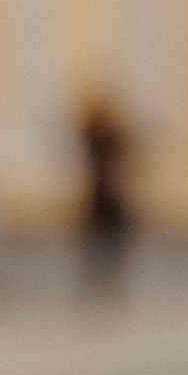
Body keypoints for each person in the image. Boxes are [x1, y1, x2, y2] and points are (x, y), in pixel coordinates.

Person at [76, 95, 135, 291]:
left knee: (111, 238)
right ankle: (101, 277)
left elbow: (121, 162)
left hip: (107, 195)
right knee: (98, 238)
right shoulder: (95, 136)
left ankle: (107, 277)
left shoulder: (109, 137)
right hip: (98, 194)